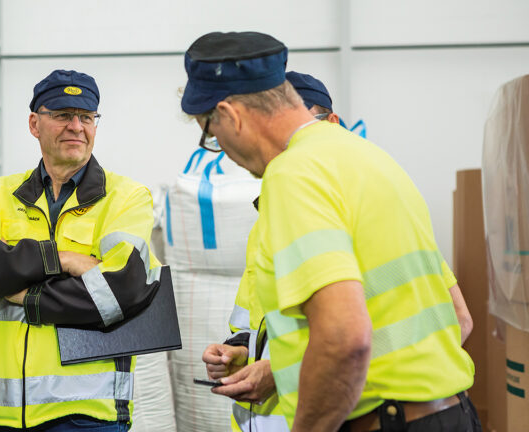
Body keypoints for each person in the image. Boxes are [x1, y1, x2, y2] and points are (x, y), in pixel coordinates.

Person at [182, 31, 478, 432]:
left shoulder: (292, 174)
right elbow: (458, 317)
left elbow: (344, 339)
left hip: (384, 422)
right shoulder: (369, 159)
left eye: (212, 135)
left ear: (230, 115)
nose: (226, 154)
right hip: (450, 414)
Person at [0, 69, 162, 432]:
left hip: (89, 415)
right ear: (35, 123)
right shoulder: (0, 195)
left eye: (87, 117)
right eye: (62, 115)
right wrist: (61, 259)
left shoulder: (127, 198)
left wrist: (22, 291)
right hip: (7, 416)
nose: (76, 126)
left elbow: (119, 293)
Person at [201, 70, 341, 432]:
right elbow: (261, 323)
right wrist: (239, 352)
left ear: (332, 124)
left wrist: (280, 371)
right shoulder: (267, 216)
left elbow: (358, 331)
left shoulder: (343, 200)